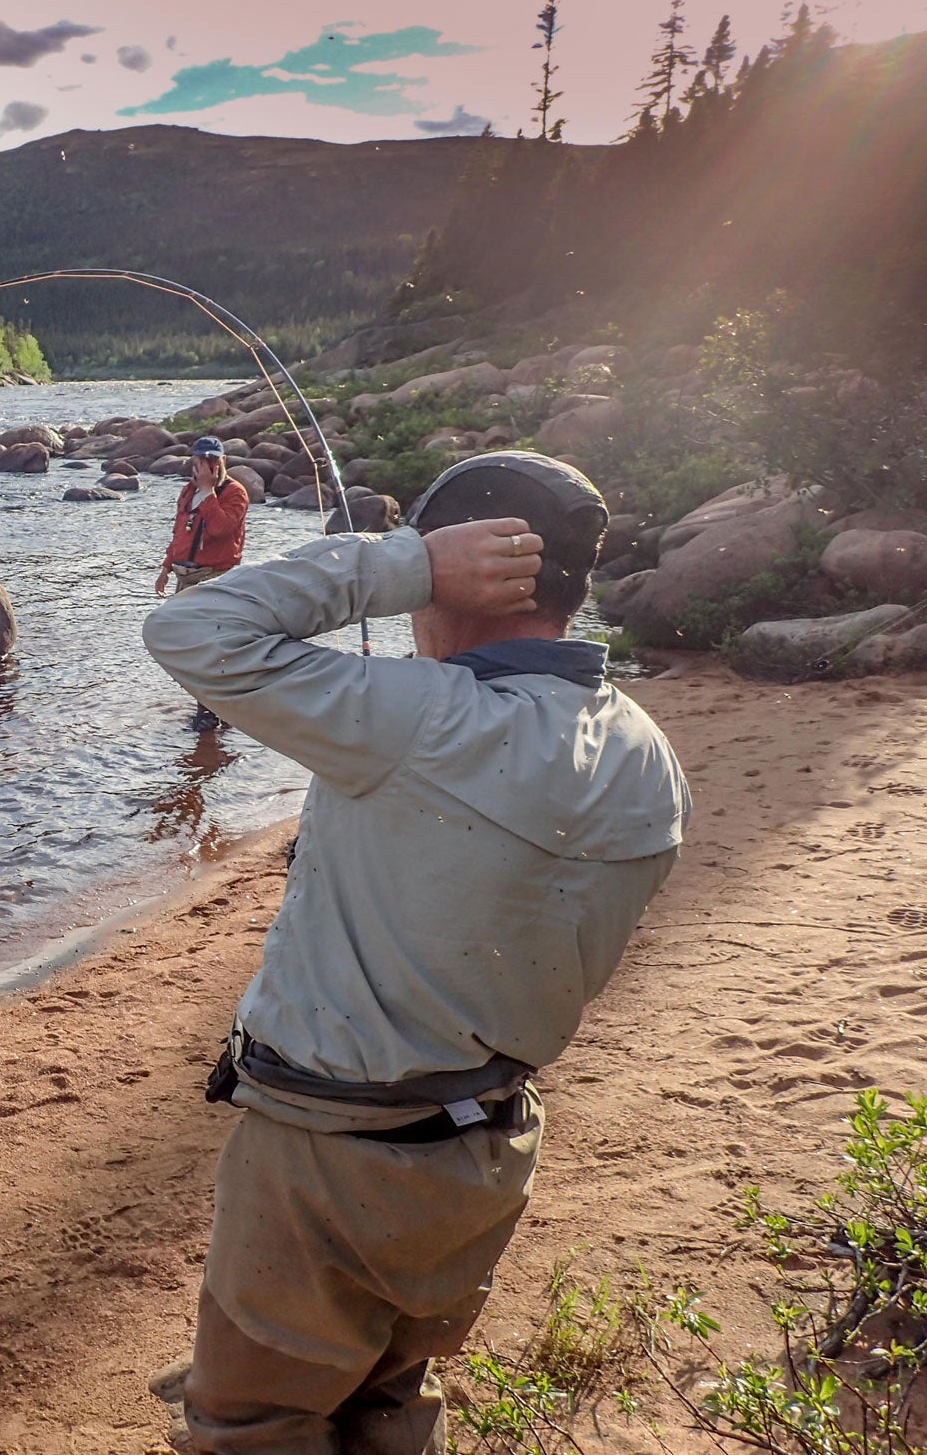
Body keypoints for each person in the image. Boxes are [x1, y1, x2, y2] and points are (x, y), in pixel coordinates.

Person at [140, 452, 690, 1455]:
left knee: (249, 1426)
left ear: (468, 568)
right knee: (384, 1396)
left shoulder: (418, 722)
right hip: (481, 1152)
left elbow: (186, 629)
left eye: (433, 564)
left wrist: (400, 564)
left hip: (330, 1161)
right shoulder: (643, 752)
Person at [155, 436, 251, 731]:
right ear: (193, 463)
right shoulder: (187, 492)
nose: (207, 467)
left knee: (206, 647)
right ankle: (213, 705)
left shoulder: (236, 494)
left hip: (214, 578)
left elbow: (222, 528)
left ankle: (211, 712)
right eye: (201, 462)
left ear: (223, 462)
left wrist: (209, 492)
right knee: (182, 642)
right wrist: (166, 568)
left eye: (214, 461)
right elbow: (179, 534)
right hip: (185, 577)